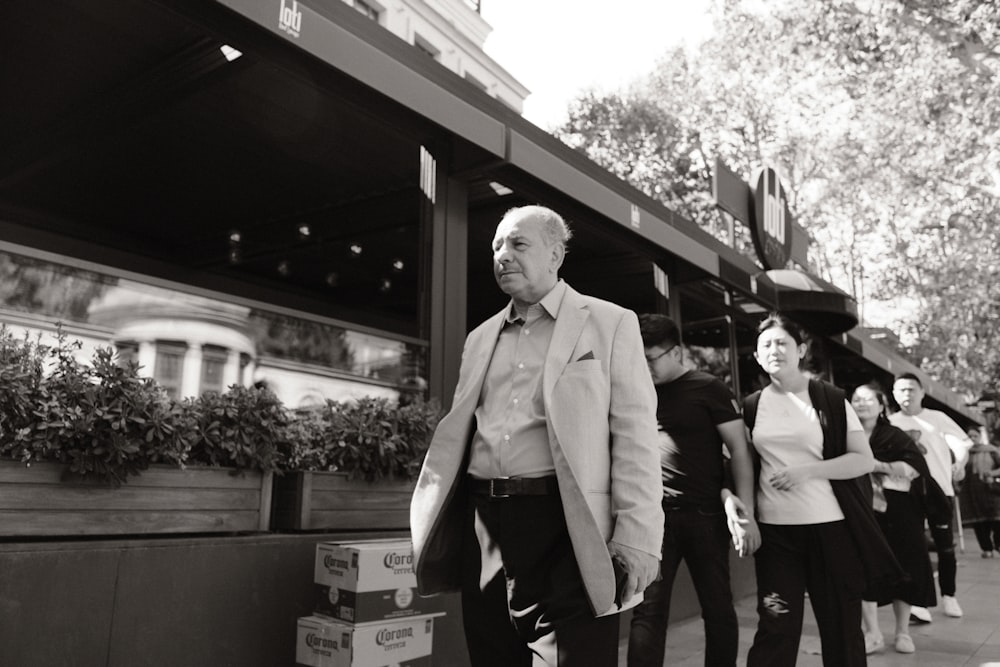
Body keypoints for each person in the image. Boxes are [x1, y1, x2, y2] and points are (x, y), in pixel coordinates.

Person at [409, 205, 664, 667]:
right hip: (485, 526)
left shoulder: (611, 322)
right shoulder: (479, 338)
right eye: (497, 247)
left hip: (569, 526)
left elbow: (636, 436)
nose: (502, 255)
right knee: (492, 656)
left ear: (556, 254)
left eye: (517, 244)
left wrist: (640, 536)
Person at [740, 313, 898, 667]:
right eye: (766, 345)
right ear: (756, 356)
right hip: (777, 534)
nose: (774, 350)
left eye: (782, 343)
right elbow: (745, 466)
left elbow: (862, 460)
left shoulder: (829, 399)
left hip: (831, 530)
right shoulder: (752, 405)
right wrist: (744, 514)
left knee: (841, 629)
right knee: (775, 626)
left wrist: (808, 471)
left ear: (801, 350)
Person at [626, 314, 760, 667]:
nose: (644, 366)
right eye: (637, 358)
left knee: (717, 607)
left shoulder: (709, 388)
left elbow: (740, 449)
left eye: (650, 357)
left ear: (677, 352)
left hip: (706, 516)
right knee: (647, 612)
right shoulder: (635, 390)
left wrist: (747, 512)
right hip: (654, 519)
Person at [851, 383, 948, 656]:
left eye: (868, 399)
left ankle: (903, 632)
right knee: (863, 569)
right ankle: (872, 633)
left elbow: (915, 469)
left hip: (900, 513)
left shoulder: (894, 435)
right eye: (856, 399)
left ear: (882, 406)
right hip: (861, 511)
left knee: (904, 570)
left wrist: (875, 465)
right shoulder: (845, 435)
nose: (861, 403)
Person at [889, 372, 973, 621]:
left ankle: (949, 595)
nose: (907, 394)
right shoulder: (891, 423)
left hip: (939, 491)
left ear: (922, 392)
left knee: (945, 547)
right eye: (901, 390)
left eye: (911, 389)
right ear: (894, 394)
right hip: (905, 493)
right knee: (913, 550)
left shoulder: (937, 418)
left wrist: (959, 462)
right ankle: (918, 603)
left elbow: (961, 443)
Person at [959, 428, 1000, 558]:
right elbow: (960, 471)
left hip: (991, 489)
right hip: (972, 492)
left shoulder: (992, 451)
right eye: (970, 436)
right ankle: (986, 548)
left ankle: (998, 544)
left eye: (975, 435)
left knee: (997, 520)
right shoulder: (965, 453)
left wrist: (992, 474)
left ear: (981, 436)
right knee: (979, 522)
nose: (973, 439)